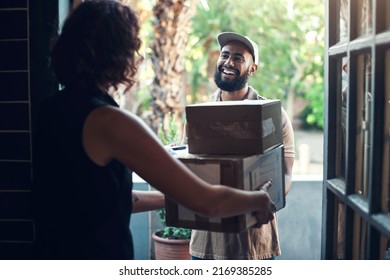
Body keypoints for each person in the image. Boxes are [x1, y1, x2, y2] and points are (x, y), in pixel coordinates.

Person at [32, 1, 276, 260]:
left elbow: (106, 199)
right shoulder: (110, 121)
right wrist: (257, 200)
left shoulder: (51, 109)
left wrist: (168, 198)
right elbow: (206, 201)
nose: (140, 56)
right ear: (115, 53)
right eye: (134, 45)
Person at [186, 32, 295, 260]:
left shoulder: (274, 115)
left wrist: (266, 202)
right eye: (225, 55)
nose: (228, 62)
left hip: (255, 242)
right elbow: (189, 166)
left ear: (252, 69)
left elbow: (285, 172)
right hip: (207, 242)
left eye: (238, 58)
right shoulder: (198, 116)